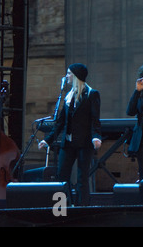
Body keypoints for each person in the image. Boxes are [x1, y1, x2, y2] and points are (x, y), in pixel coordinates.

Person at [38, 63, 102, 206]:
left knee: (82, 177)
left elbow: (95, 120)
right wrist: (47, 140)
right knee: (62, 175)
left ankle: (82, 207)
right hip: (67, 143)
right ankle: (63, 206)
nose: (66, 76)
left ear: (76, 76)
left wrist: (96, 136)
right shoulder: (68, 96)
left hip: (84, 143)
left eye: (68, 73)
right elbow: (60, 122)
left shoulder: (92, 94)